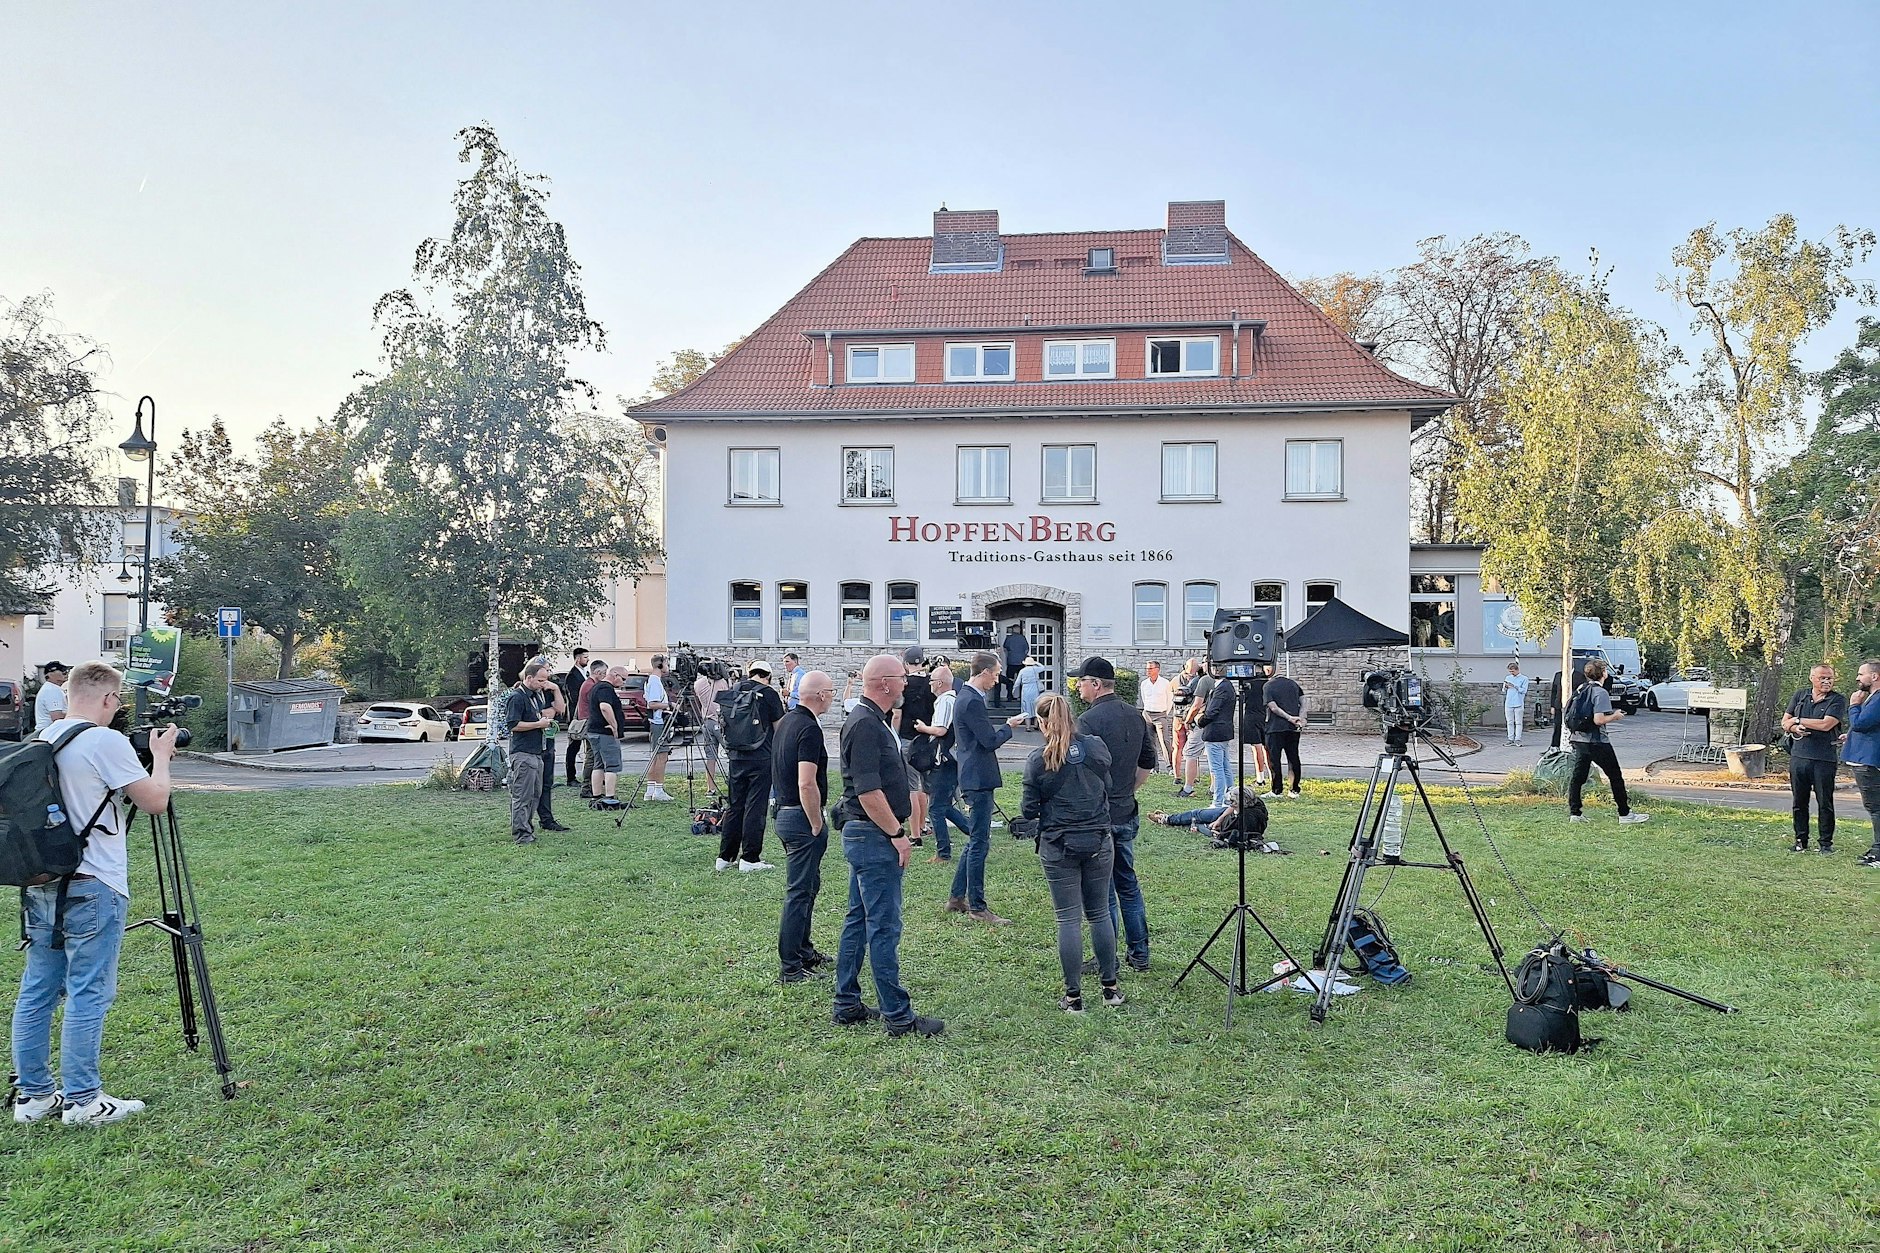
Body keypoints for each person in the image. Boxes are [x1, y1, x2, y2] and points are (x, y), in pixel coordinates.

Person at [11, 660, 178, 1126]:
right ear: (109, 698)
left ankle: (34, 1097)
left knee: (38, 989)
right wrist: (161, 756)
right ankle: (84, 1100)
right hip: (94, 882)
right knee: (89, 991)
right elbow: (155, 801)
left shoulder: (42, 739)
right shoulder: (104, 741)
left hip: (43, 881)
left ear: (69, 694)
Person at [832, 654, 944, 1038]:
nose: (906, 684)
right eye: (901, 678)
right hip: (873, 836)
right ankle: (897, 1015)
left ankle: (846, 1003)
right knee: (883, 926)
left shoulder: (873, 720)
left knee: (859, 920)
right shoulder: (865, 724)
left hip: (868, 835)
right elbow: (868, 792)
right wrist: (898, 835)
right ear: (884, 683)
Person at [1022, 692, 1124, 1013]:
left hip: (1058, 844)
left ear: (1042, 723)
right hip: (1098, 840)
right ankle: (1110, 989)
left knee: (1068, 918)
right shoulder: (1096, 747)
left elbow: (1028, 810)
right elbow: (1107, 784)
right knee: (1099, 913)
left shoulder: (1039, 760)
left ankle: (1074, 997)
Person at [1071, 656, 1157, 972]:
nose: (1078, 687)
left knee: (1103, 891)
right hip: (1126, 811)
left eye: (1081, 681)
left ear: (1095, 684)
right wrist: (1128, 790)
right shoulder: (1136, 716)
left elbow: (1081, 772)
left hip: (1100, 816)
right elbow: (1147, 762)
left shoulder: (1087, 722)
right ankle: (1140, 954)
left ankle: (1107, 958)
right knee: (1127, 884)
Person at [949, 651, 1026, 923]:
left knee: (975, 840)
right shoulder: (971, 701)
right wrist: (1008, 726)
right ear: (983, 672)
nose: (996, 680)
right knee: (979, 843)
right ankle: (978, 907)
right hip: (978, 778)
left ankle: (956, 897)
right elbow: (989, 741)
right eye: (995, 674)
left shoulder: (967, 697)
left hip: (974, 775)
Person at [776, 670, 835, 982]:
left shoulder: (788, 721)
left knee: (809, 887)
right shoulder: (809, 728)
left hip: (785, 814)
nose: (833, 697)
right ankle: (791, 966)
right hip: (800, 817)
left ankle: (803, 951)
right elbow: (806, 783)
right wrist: (815, 821)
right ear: (821, 695)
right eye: (831, 691)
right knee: (799, 893)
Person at [716, 658, 784, 872]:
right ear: (768, 676)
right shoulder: (769, 694)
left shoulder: (735, 690)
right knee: (756, 806)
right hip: (761, 756)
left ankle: (725, 857)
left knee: (735, 806)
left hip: (736, 755)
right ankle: (750, 858)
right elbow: (780, 727)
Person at [1565, 657, 1649, 825]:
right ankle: (1625, 814)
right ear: (1603, 673)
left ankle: (1575, 813)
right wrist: (1615, 716)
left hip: (1578, 738)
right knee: (1615, 776)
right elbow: (1599, 720)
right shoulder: (1600, 692)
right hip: (1597, 741)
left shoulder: (1581, 688)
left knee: (1578, 777)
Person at [1781, 663, 1848, 854]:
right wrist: (1795, 727)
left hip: (1823, 758)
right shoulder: (1800, 696)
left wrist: (1798, 720)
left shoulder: (1837, 700)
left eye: (1830, 678)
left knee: (1824, 802)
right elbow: (1785, 721)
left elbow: (1826, 724)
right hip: (1799, 756)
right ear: (1812, 678)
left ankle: (1825, 843)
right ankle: (1800, 840)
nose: (1827, 681)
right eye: (1822, 678)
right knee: (1799, 801)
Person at [915, 664, 970, 862]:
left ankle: (943, 853)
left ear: (939, 683)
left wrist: (923, 728)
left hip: (945, 761)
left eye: (931, 681)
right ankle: (976, 832)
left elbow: (941, 730)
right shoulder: (952, 699)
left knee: (936, 809)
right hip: (951, 760)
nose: (929, 684)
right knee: (943, 806)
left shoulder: (945, 700)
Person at [503, 662, 560, 845]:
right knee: (522, 795)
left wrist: (544, 723)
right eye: (540, 680)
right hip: (523, 753)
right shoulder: (517, 698)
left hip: (537, 752)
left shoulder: (536, 696)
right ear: (528, 678)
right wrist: (538, 724)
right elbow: (513, 725)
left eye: (545, 680)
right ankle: (521, 833)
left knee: (535, 795)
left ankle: (527, 828)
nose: (543, 684)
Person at [893, 646, 935, 850]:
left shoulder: (904, 685)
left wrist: (893, 736)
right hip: (928, 737)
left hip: (908, 738)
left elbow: (897, 714)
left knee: (911, 786)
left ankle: (915, 834)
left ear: (906, 663)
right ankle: (923, 826)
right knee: (924, 787)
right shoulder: (931, 682)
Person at [524, 656, 571, 835]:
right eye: (544, 672)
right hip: (531, 744)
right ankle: (525, 822)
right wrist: (546, 713)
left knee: (546, 782)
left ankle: (546, 818)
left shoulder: (549, 689)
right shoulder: (525, 690)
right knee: (530, 786)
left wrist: (556, 689)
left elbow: (561, 709)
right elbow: (533, 714)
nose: (547, 677)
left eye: (548, 672)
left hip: (548, 742)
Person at [1844, 659, 1880, 867]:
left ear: (1874, 676)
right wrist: (1849, 735)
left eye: (1861, 674)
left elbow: (1860, 724)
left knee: (1875, 807)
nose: (1857, 678)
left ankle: (1878, 852)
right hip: (1866, 756)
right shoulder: (1873, 698)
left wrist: (1854, 706)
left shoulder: (1877, 699)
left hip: (1868, 760)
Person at [585, 665, 628, 809]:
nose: (624, 683)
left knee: (598, 764)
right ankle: (610, 798)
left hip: (594, 731)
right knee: (611, 765)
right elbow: (604, 707)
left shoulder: (597, 687)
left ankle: (596, 796)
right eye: (623, 679)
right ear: (615, 675)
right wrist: (614, 726)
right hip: (604, 732)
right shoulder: (605, 688)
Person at [1196, 663, 1238, 809]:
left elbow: (1212, 711)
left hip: (1215, 732)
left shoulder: (1222, 688)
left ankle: (1218, 801)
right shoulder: (1226, 686)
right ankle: (1229, 797)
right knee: (1225, 766)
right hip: (1223, 732)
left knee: (1217, 769)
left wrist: (1199, 721)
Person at [1263, 666, 1307, 798]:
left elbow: (1273, 707)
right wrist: (1301, 718)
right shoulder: (1293, 684)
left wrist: (1289, 718)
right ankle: (1294, 790)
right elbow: (1304, 701)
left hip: (1275, 728)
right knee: (1293, 758)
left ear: (1269, 670)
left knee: (1274, 759)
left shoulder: (1268, 686)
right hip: (1293, 728)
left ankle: (1277, 790)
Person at [692, 662, 732, 796]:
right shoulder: (722, 682)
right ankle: (733, 784)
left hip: (707, 723)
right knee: (732, 754)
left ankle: (711, 788)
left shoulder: (698, 684)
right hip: (721, 722)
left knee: (710, 757)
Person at [1177, 657, 1214, 799]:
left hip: (1201, 721)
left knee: (1190, 753)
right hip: (1216, 723)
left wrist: (1188, 720)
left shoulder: (1204, 680)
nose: (1201, 665)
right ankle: (1214, 787)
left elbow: (1196, 705)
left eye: (1204, 662)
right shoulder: (1223, 681)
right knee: (1214, 756)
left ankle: (1188, 788)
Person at [573, 659, 608, 797]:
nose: (605, 676)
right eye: (604, 673)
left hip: (587, 722)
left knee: (592, 755)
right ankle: (587, 787)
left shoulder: (588, 684)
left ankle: (592, 785)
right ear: (597, 672)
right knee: (592, 756)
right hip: (589, 724)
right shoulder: (591, 686)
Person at [642, 654, 675, 803]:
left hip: (656, 722)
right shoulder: (655, 681)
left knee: (656, 756)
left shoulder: (651, 680)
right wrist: (670, 705)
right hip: (659, 722)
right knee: (662, 756)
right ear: (661, 665)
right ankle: (658, 790)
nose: (668, 667)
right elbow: (652, 703)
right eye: (667, 663)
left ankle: (650, 790)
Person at [559, 649, 589, 785]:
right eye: (585, 657)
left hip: (584, 715)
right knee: (573, 747)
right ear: (578, 659)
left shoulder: (585, 673)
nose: (587, 659)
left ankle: (590, 775)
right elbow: (574, 697)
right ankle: (571, 777)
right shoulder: (572, 676)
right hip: (576, 717)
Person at [1139, 660, 1174, 771]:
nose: (1148, 671)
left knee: (1164, 741)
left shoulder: (1165, 683)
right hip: (1147, 714)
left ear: (1157, 670)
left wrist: (1165, 713)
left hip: (1160, 714)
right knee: (1150, 742)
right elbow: (1144, 698)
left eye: (1150, 668)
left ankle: (1170, 767)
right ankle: (1154, 767)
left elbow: (1170, 700)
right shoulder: (1144, 684)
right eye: (1147, 668)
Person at [1502, 661, 1532, 746]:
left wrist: (1515, 686)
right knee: (1509, 722)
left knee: (1518, 722)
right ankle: (1510, 738)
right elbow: (1503, 690)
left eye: (1513, 671)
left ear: (1517, 670)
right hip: (1509, 702)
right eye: (1510, 671)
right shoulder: (1508, 678)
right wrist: (1506, 687)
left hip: (1518, 702)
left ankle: (1518, 739)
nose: (1511, 673)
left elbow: (1524, 690)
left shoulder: (1524, 678)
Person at [33, 661, 68, 732]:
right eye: (61, 670)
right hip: (49, 732)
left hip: (47, 731)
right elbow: (57, 717)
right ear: (50, 674)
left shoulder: (50, 688)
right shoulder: (52, 690)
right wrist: (75, 716)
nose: (65, 673)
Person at [998, 625, 1028, 704]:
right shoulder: (1023, 638)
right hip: (1021, 662)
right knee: (1022, 680)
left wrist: (1009, 654)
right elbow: (1026, 649)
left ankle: (1009, 696)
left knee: (1010, 680)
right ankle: (1021, 696)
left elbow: (1005, 647)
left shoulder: (1009, 638)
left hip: (1011, 662)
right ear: (1018, 630)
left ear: (1013, 630)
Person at [1016, 655, 1044, 724]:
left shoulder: (1022, 671)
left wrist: (1014, 691)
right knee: (1035, 706)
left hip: (1025, 689)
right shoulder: (1035, 669)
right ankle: (1036, 724)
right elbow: (1042, 667)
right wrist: (1036, 662)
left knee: (1026, 707)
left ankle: (1027, 727)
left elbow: (1017, 682)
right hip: (1034, 688)